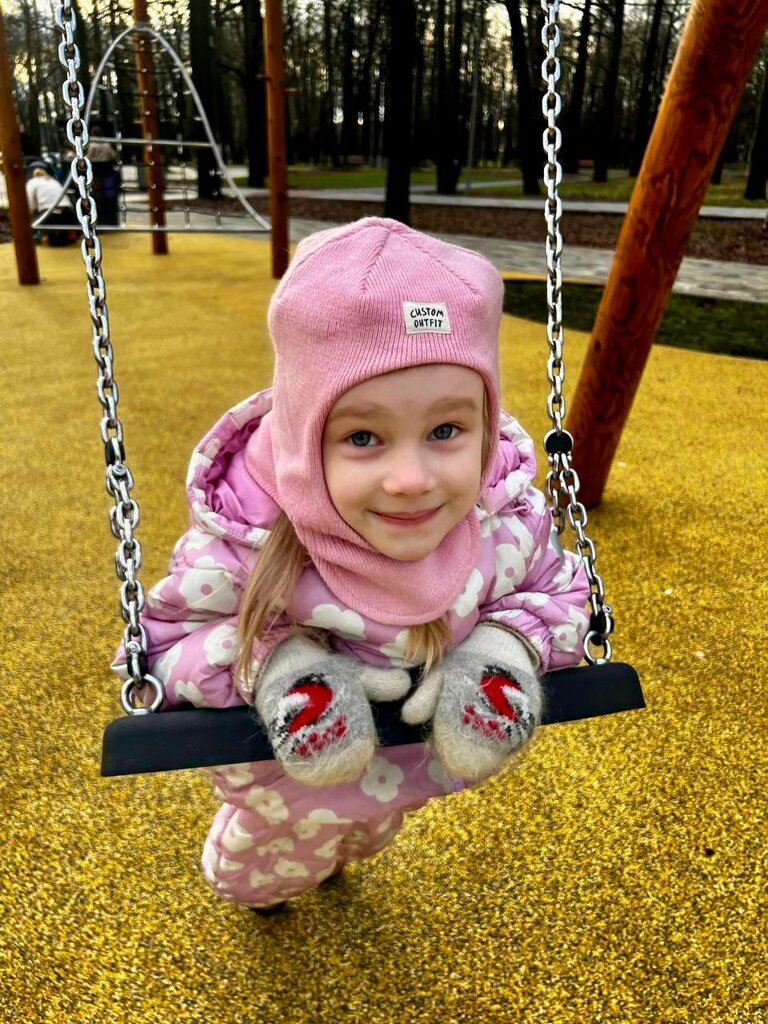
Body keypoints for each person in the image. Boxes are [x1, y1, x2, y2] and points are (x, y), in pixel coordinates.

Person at [113, 218, 591, 913]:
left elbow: (561, 594)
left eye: (446, 430)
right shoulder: (251, 542)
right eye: (363, 437)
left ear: (486, 424)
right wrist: (287, 671)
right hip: (283, 790)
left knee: (365, 839)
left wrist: (502, 653)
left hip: (405, 774)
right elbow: (163, 648)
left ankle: (345, 849)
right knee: (255, 879)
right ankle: (266, 889)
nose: (411, 479)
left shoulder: (502, 517)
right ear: (304, 438)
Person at [25, 166, 74, 247]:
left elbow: (29, 205)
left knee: (35, 222)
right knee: (62, 242)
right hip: (68, 215)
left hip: (48, 216)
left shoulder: (32, 182)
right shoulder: (54, 181)